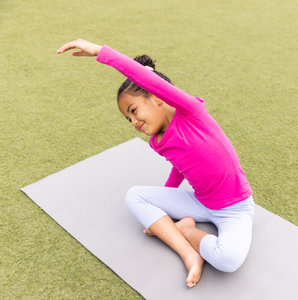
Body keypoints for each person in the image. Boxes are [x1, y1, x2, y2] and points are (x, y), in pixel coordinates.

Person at [57, 39, 255, 288]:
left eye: (133, 110)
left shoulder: (191, 112)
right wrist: (167, 205)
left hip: (235, 207)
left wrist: (99, 51)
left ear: (157, 97)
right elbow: (181, 167)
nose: (133, 122)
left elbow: (147, 79)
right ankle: (188, 252)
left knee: (228, 260)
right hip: (200, 201)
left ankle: (187, 231)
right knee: (135, 196)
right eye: (127, 118)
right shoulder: (157, 140)